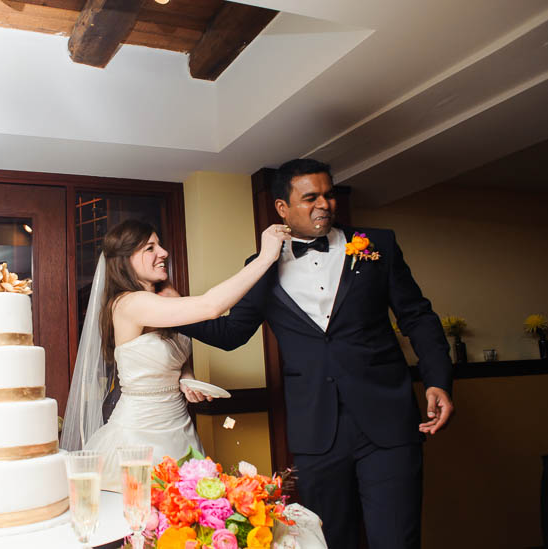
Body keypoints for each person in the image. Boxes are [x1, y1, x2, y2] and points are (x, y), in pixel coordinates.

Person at [175, 158, 454, 549]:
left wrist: (438, 380)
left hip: (388, 423)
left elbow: (418, 317)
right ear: (282, 208)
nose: (324, 204)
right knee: (329, 541)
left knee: (397, 540)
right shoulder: (260, 266)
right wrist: (170, 313)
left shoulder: (379, 245)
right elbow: (232, 333)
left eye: (328, 194)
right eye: (310, 198)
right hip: (316, 432)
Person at [62, 218, 290, 490]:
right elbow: (210, 307)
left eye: (160, 245)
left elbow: (175, 350)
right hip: (140, 433)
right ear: (124, 260)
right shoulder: (130, 303)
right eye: (150, 248)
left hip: (179, 424)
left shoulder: (163, 298)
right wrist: (265, 258)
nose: (164, 253)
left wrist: (186, 375)